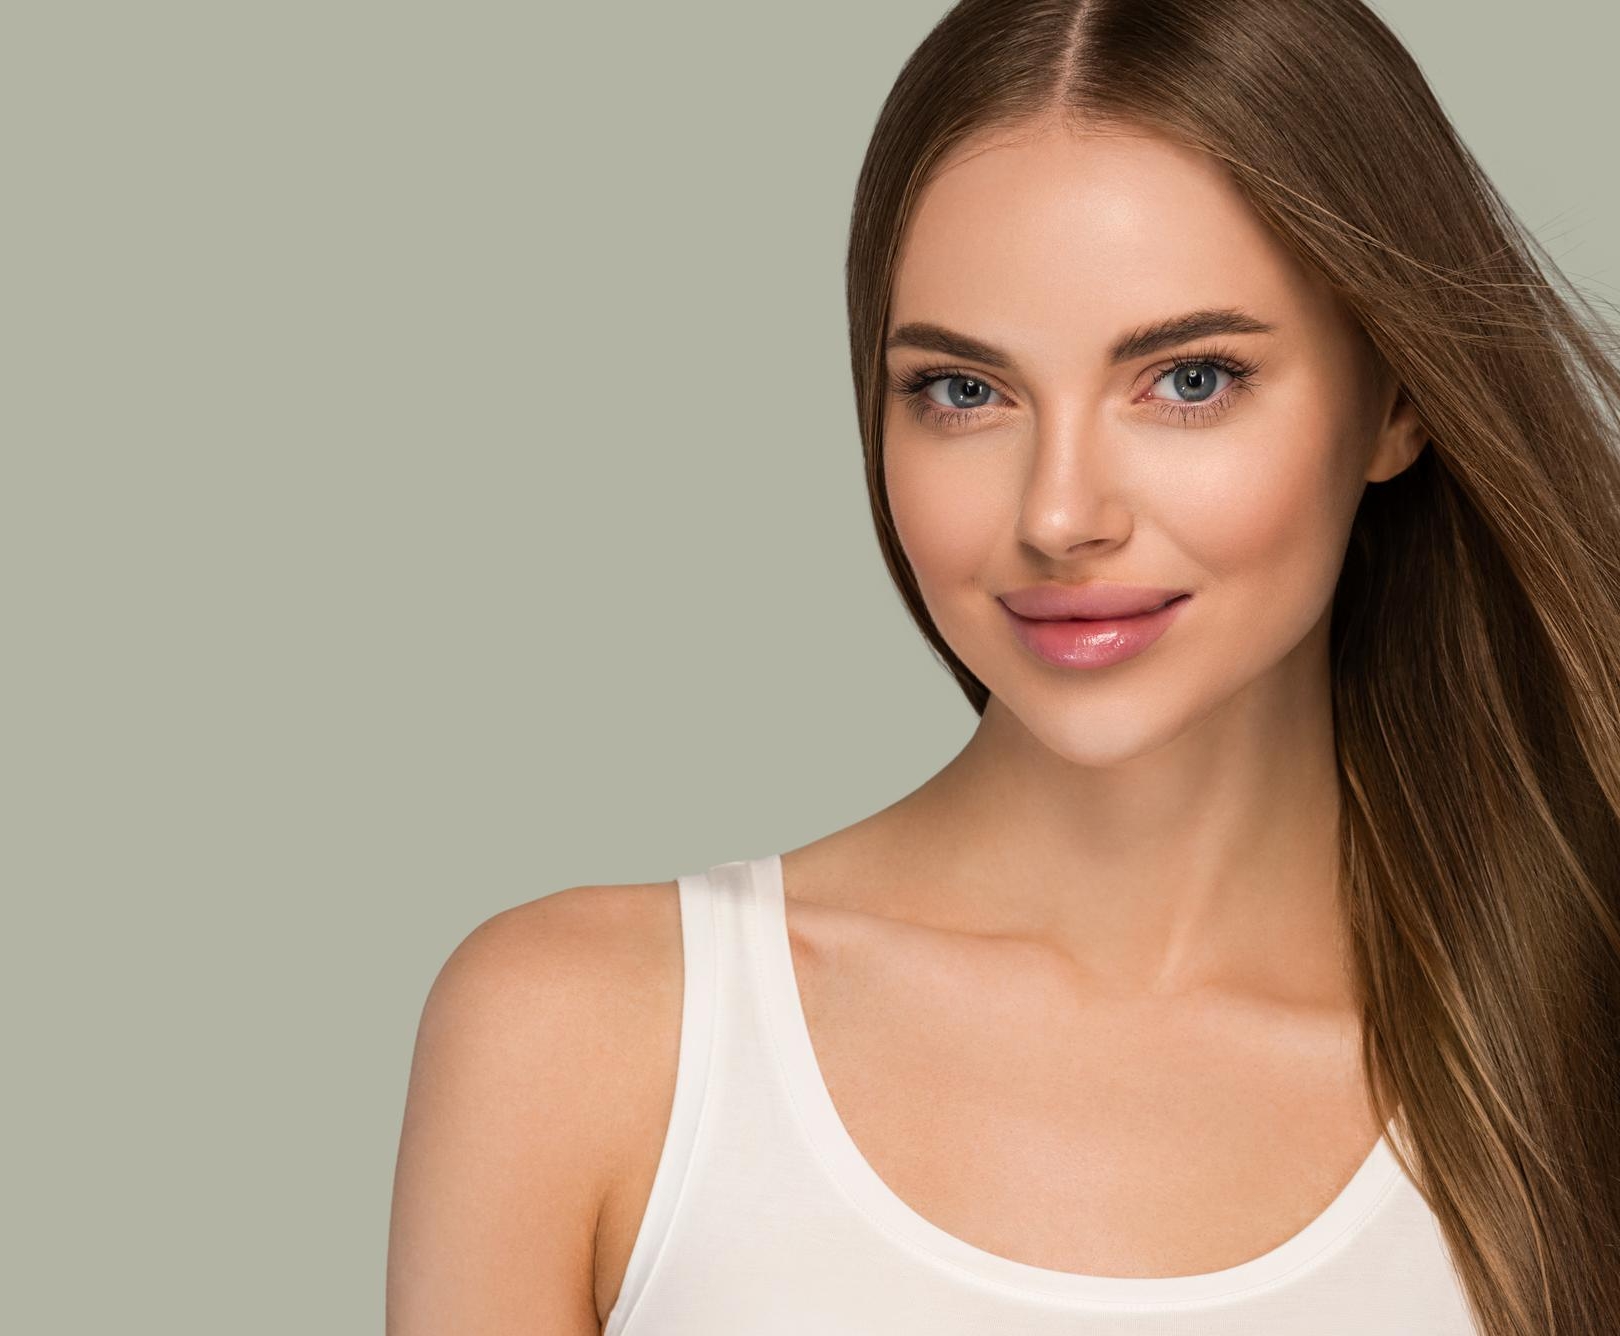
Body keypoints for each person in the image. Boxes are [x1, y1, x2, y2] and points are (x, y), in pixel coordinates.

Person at [386, 1, 1620, 1332]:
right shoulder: (585, 1038)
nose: (1059, 514)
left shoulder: (1574, 1055)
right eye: (965, 392)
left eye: (1190, 380)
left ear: (1397, 400)